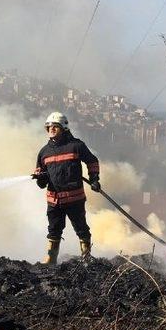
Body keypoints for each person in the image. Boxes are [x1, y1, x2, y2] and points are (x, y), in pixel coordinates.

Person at [32, 111, 100, 264]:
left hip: (74, 199)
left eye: (54, 127)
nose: (51, 129)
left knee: (81, 229)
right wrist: (41, 178)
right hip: (54, 201)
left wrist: (94, 179)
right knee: (54, 230)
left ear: (63, 128)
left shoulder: (76, 146)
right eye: (48, 127)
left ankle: (86, 259)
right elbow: (41, 183)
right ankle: (50, 261)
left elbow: (92, 161)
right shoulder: (44, 152)